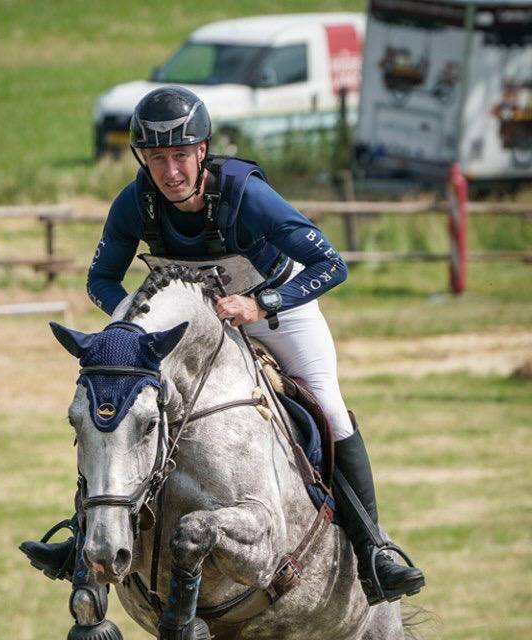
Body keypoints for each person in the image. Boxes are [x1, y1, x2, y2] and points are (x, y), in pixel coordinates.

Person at [21, 86, 424, 607]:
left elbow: (332, 264)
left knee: (327, 404)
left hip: (276, 312)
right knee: (119, 406)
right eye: (157, 158)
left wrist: (263, 305)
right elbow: (100, 280)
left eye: (180, 156)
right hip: (188, 326)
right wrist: (130, 328)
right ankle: (84, 541)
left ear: (203, 151)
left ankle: (374, 551)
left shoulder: (243, 195)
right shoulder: (136, 202)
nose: (170, 172)